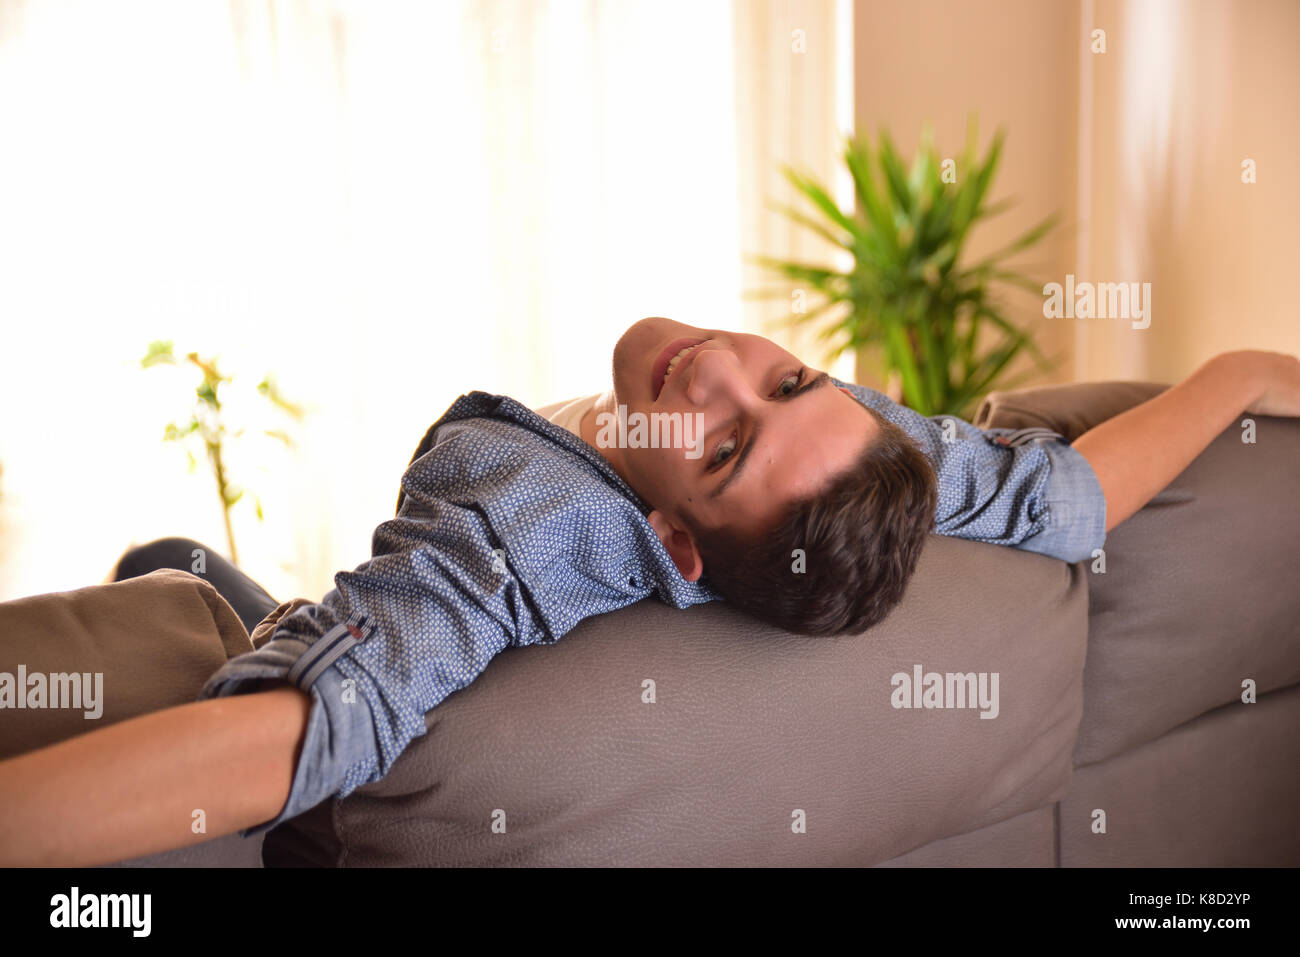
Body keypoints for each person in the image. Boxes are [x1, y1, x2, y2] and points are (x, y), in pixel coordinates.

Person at [1, 316, 1298, 866]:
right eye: (790, 382)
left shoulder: (521, 538)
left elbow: (292, 738)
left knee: (167, 566)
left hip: (295, 622)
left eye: (724, 449)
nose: (719, 373)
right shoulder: (870, 463)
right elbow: (1059, 496)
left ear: (680, 547)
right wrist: (1240, 371)